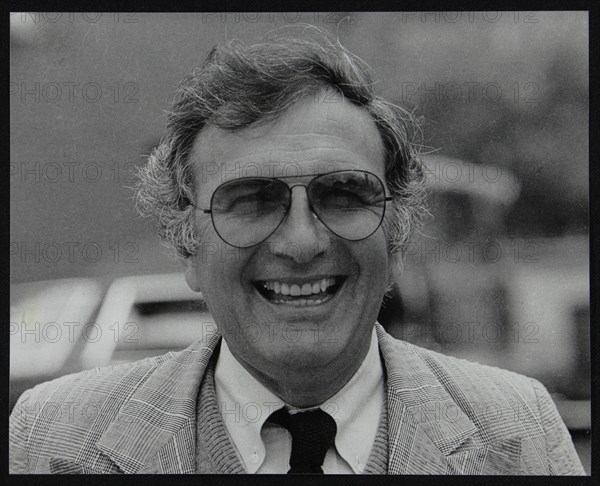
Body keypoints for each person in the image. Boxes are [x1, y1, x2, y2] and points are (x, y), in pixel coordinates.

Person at [9, 28, 585, 475]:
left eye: (343, 194)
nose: (303, 241)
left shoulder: (518, 432)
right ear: (187, 246)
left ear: (398, 234)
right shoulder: (54, 437)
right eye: (253, 199)